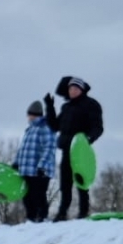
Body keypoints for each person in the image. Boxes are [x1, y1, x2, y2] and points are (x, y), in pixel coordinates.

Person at [45, 76, 104, 221]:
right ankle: (62, 212)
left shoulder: (91, 104)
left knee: (81, 180)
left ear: (82, 90)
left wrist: (89, 138)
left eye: (76, 88)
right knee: (65, 183)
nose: (72, 91)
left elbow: (98, 127)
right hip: (66, 148)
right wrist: (50, 107)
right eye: (70, 88)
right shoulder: (67, 107)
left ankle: (83, 211)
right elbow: (54, 126)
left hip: (80, 149)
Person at [13, 99, 56, 223]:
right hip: (26, 169)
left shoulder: (45, 127)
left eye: (29, 114)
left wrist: (42, 165)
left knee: (38, 195)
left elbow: (49, 147)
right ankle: (31, 219)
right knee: (27, 197)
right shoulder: (29, 130)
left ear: (34, 114)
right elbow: (22, 149)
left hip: (39, 170)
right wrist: (16, 163)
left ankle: (42, 218)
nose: (28, 117)